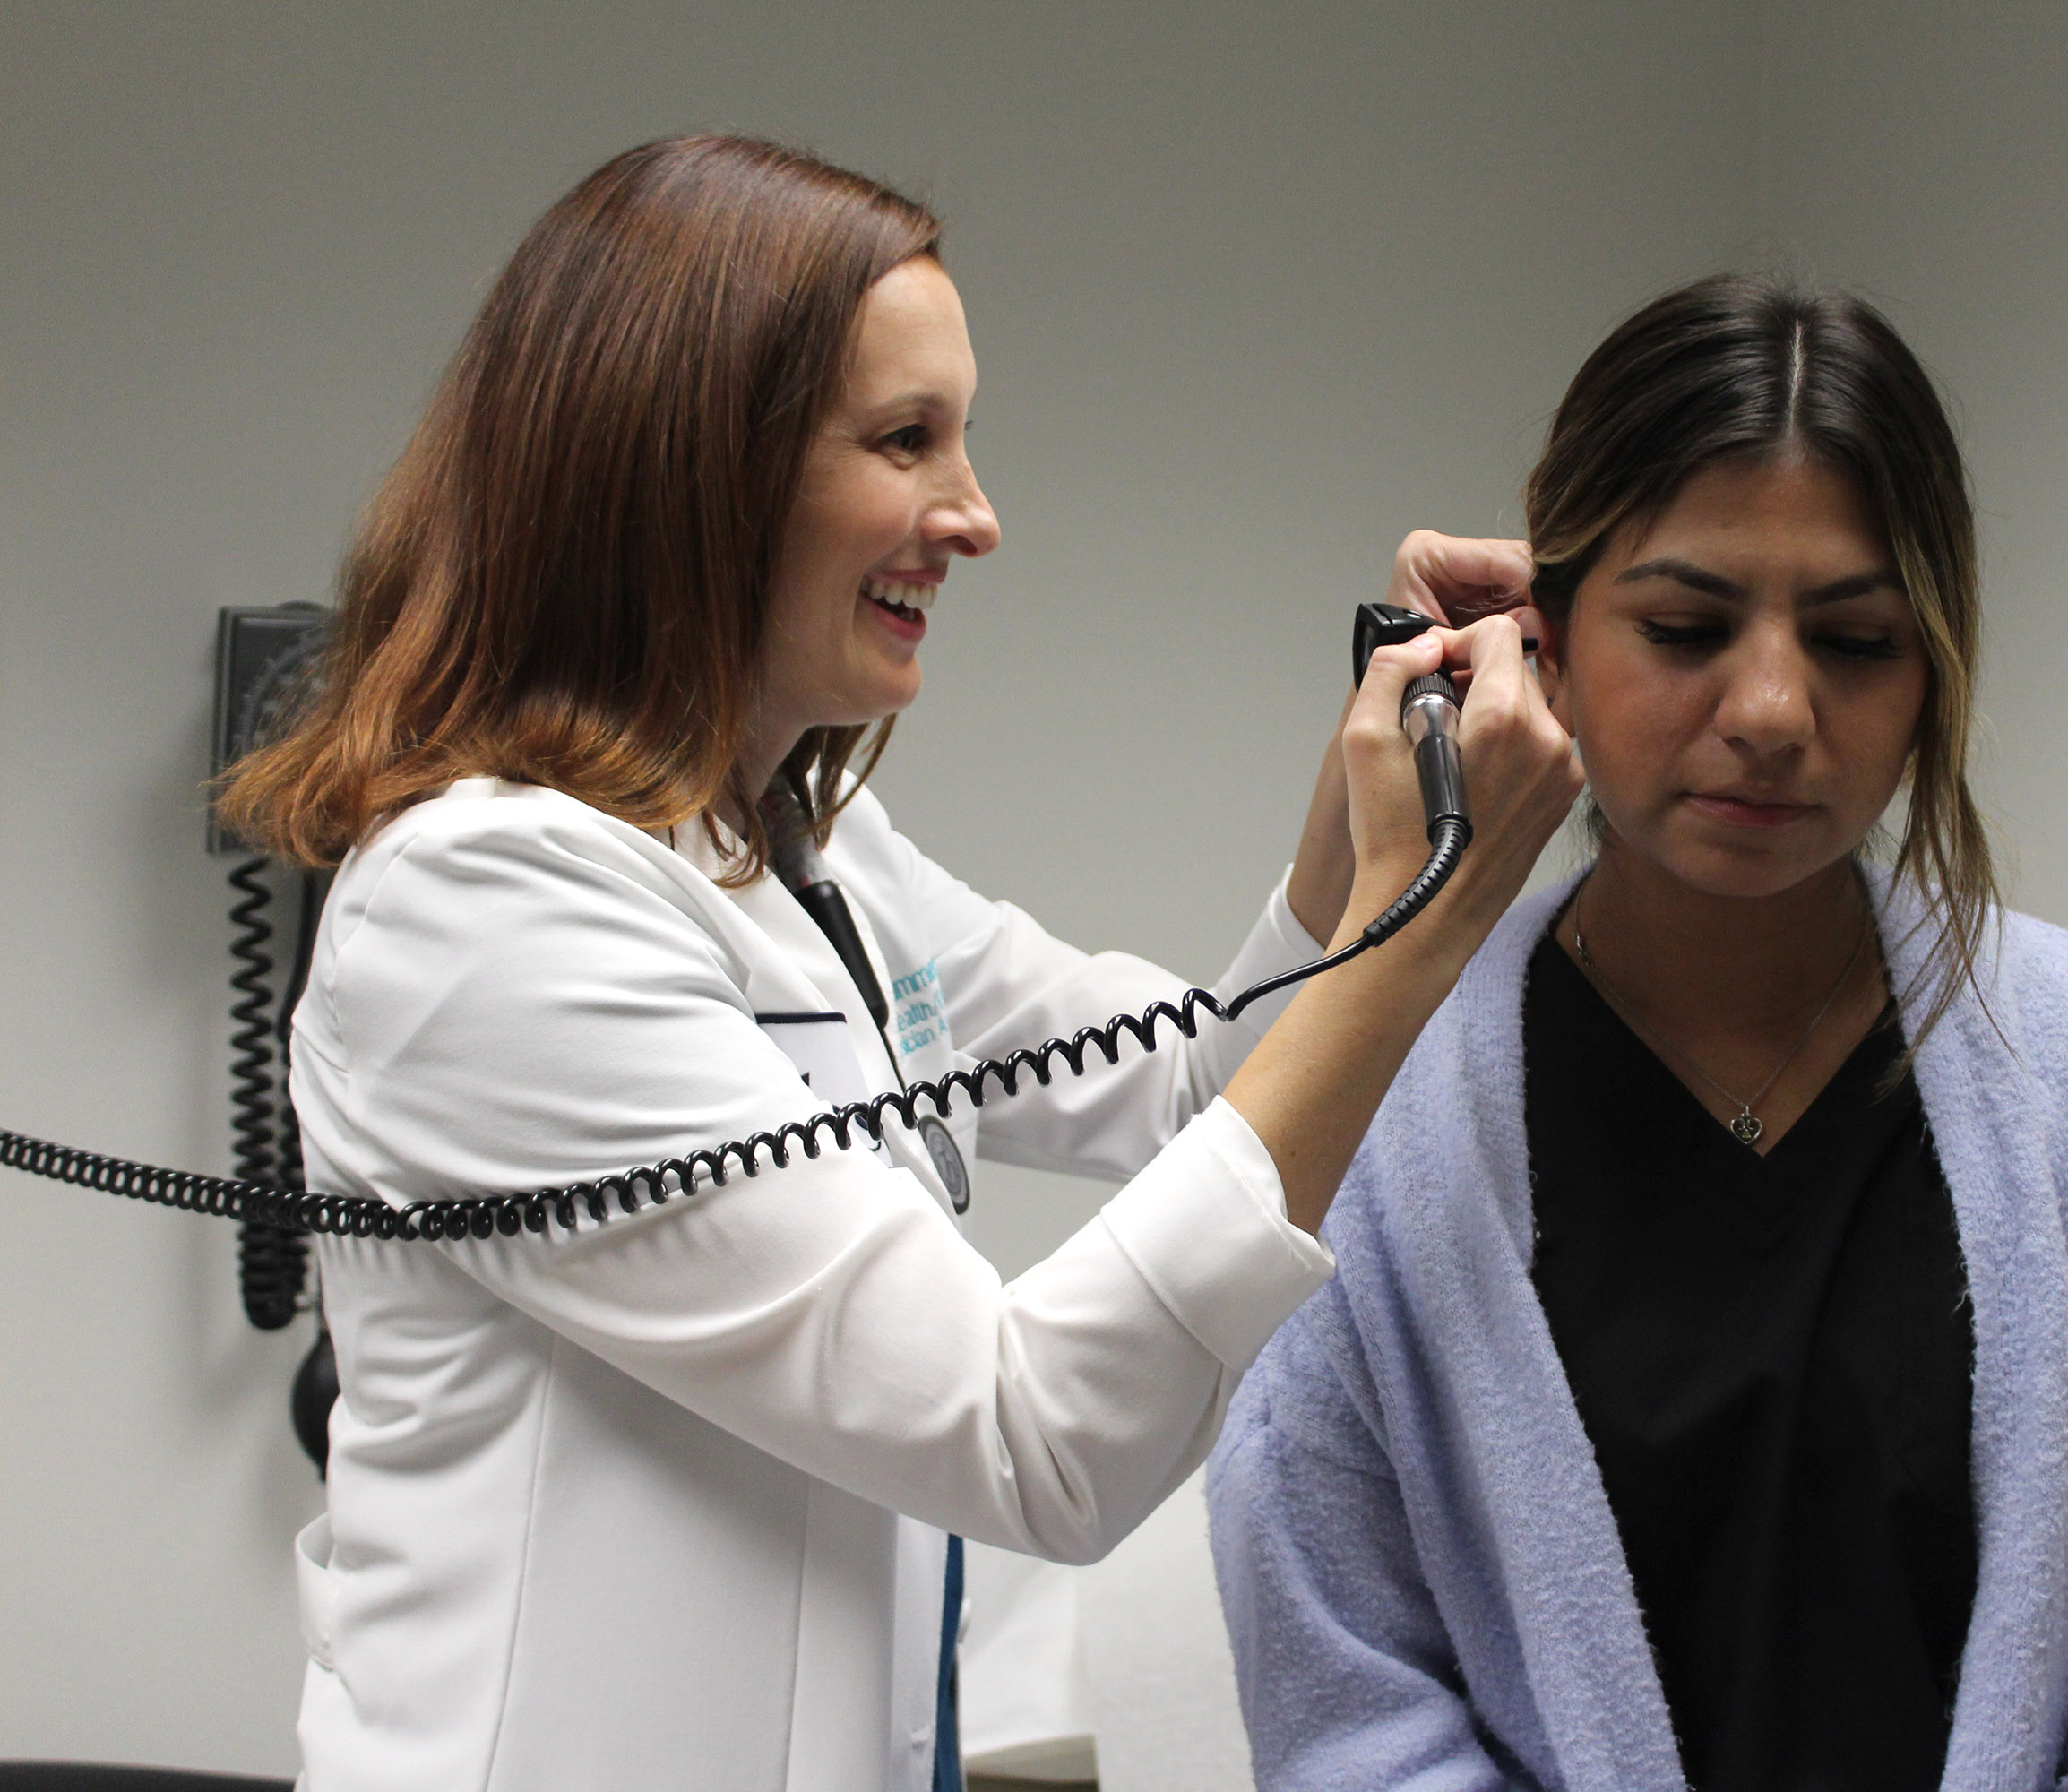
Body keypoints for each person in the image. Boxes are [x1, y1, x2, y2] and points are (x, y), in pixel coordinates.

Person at [217, 134, 1578, 1792]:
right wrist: (1435, 919)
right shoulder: (485, 908)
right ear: (690, 467)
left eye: (966, 440)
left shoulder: (802, 853)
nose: (977, 517)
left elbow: (1194, 1094)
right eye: (904, 441)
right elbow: (1029, 1440)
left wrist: (1371, 776)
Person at [1207, 275, 2068, 1790]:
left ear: (1934, 674)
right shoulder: (1376, 1098)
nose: (1775, 707)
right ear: (1544, 641)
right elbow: (1348, 1705)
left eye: (1856, 642)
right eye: (1684, 625)